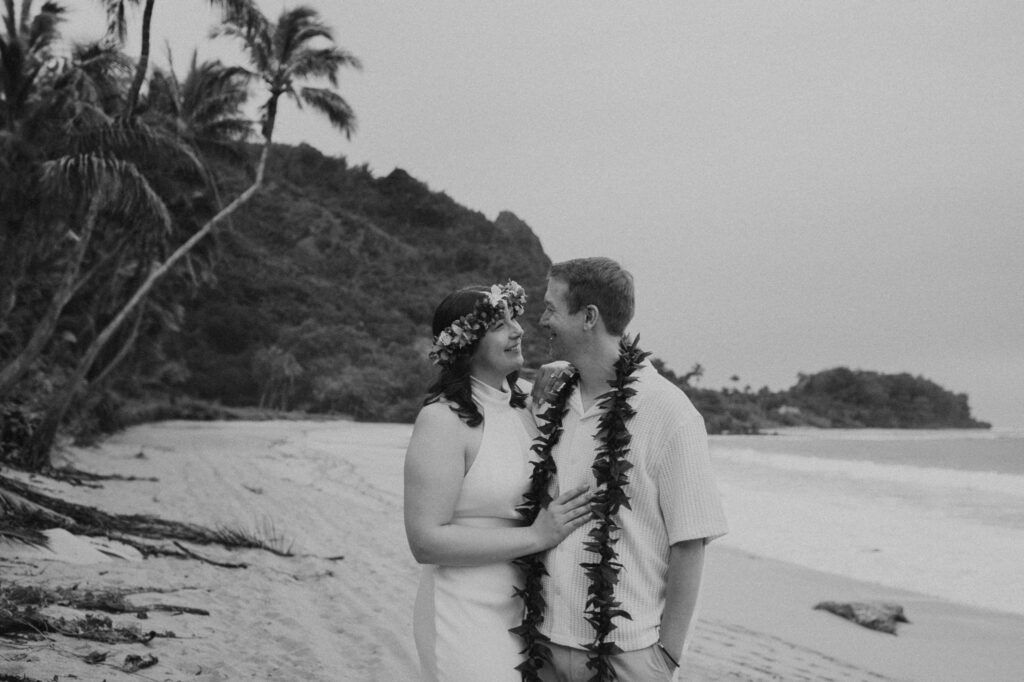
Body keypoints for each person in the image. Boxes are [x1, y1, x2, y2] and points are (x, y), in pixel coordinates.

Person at [521, 257, 729, 682]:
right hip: (543, 644)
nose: (541, 320)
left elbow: (690, 541)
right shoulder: (553, 395)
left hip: (626, 656)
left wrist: (666, 656)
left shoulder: (669, 412)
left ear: (588, 317)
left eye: (551, 309)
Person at [404, 281, 595, 682]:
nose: (518, 330)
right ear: (466, 344)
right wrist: (537, 536)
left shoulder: (529, 402)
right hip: (462, 606)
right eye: (499, 325)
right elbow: (425, 541)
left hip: (522, 609)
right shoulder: (442, 419)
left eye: (515, 318)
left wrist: (570, 370)